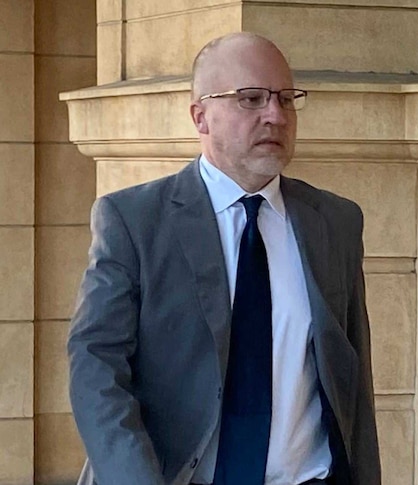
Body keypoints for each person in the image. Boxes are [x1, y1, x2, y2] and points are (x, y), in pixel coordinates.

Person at [68, 32, 381, 485]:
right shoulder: (134, 221)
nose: (275, 115)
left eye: (286, 99)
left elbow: (354, 385)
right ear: (201, 116)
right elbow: (95, 365)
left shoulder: (334, 222)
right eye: (251, 99)